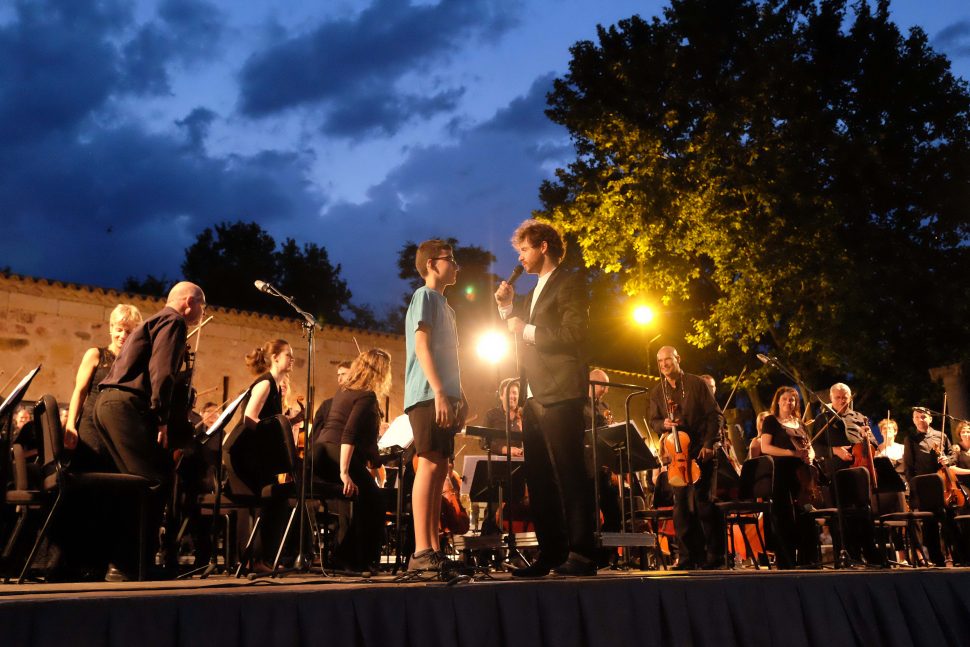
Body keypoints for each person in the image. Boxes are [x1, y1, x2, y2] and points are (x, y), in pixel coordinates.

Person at [494, 219, 596, 577]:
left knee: (569, 473)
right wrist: (508, 311)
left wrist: (526, 328)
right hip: (534, 395)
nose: (519, 257)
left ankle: (582, 554)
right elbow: (518, 336)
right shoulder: (532, 291)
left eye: (523, 249)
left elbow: (575, 332)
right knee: (538, 480)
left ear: (543, 248)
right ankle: (551, 553)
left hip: (562, 390)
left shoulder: (569, 281)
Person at [94, 281, 206, 579]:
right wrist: (162, 417)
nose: (203, 311)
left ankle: (122, 563)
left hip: (108, 405)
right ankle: (137, 564)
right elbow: (163, 371)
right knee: (155, 481)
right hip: (126, 406)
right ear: (188, 302)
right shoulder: (173, 321)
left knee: (132, 483)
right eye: (202, 305)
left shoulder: (154, 321)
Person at [405, 239, 466, 573]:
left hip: (445, 395)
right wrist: (440, 392)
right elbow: (422, 346)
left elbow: (452, 358)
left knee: (441, 468)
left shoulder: (447, 308)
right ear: (431, 264)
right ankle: (420, 549)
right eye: (450, 259)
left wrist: (460, 394)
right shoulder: (424, 296)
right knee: (428, 465)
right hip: (427, 395)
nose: (455, 265)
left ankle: (433, 548)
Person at [313, 348, 392, 572]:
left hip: (320, 452)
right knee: (375, 501)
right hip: (337, 455)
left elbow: (361, 440)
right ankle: (358, 560)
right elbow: (348, 433)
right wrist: (344, 472)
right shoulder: (367, 395)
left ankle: (346, 558)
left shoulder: (345, 391)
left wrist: (375, 458)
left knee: (363, 499)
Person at [647, 346, 722, 570]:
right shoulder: (657, 392)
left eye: (667, 360)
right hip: (677, 455)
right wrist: (664, 425)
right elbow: (654, 420)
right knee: (681, 507)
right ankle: (688, 557)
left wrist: (710, 444)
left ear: (678, 359)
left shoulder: (696, 384)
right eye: (660, 361)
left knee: (704, 504)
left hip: (700, 449)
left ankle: (714, 558)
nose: (663, 365)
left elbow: (714, 415)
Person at [235, 338, 296, 567]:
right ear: (275, 358)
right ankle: (254, 559)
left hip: (259, 455)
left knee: (273, 501)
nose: (292, 359)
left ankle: (262, 558)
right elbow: (250, 418)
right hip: (246, 455)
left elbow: (270, 420)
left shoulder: (276, 386)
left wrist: (292, 420)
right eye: (288, 354)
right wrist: (274, 434)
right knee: (263, 503)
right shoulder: (265, 383)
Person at [65, 304, 143, 471]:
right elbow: (79, 392)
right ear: (111, 328)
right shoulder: (95, 354)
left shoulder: (137, 364)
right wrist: (70, 424)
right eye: (120, 329)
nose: (123, 335)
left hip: (119, 430)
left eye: (129, 332)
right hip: (91, 428)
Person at [757, 386, 820, 568]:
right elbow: (766, 447)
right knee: (783, 515)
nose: (788, 402)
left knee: (805, 513)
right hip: (781, 472)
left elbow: (809, 446)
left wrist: (810, 455)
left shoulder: (799, 422)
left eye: (792, 399)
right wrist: (792, 453)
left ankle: (808, 559)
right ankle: (786, 560)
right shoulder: (770, 421)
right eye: (784, 399)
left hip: (802, 475)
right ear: (778, 401)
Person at [903, 407, 953, 565]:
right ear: (913, 420)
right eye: (916, 417)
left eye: (923, 417)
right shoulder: (910, 439)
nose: (920, 420)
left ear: (930, 419)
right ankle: (938, 560)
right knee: (930, 524)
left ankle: (956, 556)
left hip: (943, 484)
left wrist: (948, 460)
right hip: (923, 486)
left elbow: (952, 455)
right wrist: (913, 488)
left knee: (949, 521)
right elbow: (909, 466)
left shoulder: (941, 435)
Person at [482, 377, 524, 456]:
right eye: (508, 393)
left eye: (515, 393)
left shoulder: (525, 415)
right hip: (497, 463)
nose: (512, 396)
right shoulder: (491, 415)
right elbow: (483, 442)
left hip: (522, 461)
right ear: (501, 396)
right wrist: (507, 450)